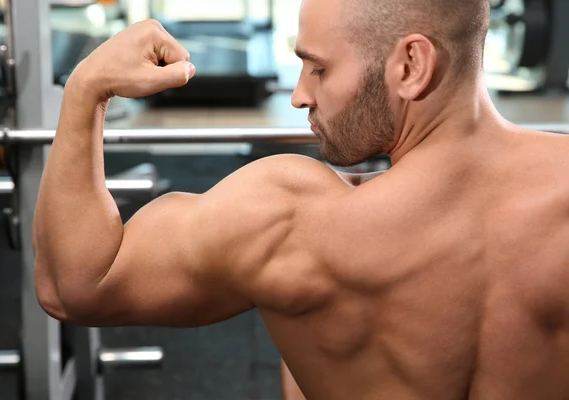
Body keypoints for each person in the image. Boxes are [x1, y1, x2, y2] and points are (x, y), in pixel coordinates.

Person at [33, 0, 569, 398]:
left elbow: (73, 285)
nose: (298, 94)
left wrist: (87, 88)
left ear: (411, 66)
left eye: (319, 67)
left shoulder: (293, 222)